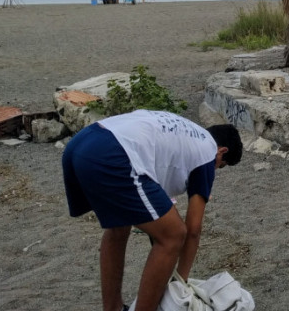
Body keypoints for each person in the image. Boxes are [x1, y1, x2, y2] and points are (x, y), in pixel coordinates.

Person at [62, 110, 243, 311]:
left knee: (119, 226)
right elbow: (193, 229)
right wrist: (180, 285)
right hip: (113, 153)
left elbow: (158, 213)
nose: (215, 170)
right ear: (222, 152)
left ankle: (113, 308)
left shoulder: (187, 135)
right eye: (221, 166)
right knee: (174, 235)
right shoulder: (208, 152)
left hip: (82, 142)